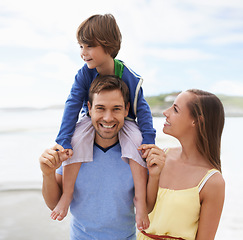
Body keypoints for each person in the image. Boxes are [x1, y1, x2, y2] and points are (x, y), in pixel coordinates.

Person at [53, 14, 155, 230]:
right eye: (81, 46)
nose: (83, 53)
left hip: (124, 120)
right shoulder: (84, 75)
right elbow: (72, 104)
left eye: (89, 46)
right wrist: (64, 140)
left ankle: (139, 199)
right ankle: (68, 193)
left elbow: (142, 109)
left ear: (108, 45)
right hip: (91, 119)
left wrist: (149, 140)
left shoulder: (129, 76)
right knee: (77, 138)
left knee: (136, 141)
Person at [39, 76, 163, 240]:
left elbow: (146, 208)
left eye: (116, 109)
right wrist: (47, 174)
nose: (108, 117)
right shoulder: (73, 148)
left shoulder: (137, 151)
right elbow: (54, 204)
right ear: (89, 108)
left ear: (126, 109)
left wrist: (154, 176)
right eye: (100, 108)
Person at [137, 89, 225, 240]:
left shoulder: (212, 182)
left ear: (197, 121)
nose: (166, 112)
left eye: (175, 109)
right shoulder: (159, 157)